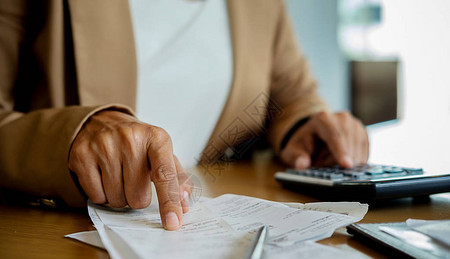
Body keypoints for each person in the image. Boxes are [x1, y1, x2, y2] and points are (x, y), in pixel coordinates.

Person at [0, 0, 368, 230]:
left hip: (205, 225)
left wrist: (305, 127)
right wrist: (73, 133)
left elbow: (291, 94)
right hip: (52, 234)